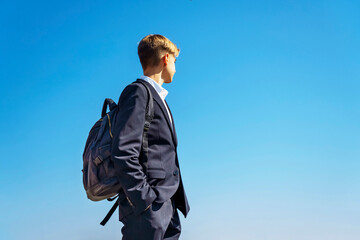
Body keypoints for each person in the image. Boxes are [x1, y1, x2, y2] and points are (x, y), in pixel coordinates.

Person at [111, 34, 190, 240]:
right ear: (166, 58)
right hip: (148, 207)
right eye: (174, 61)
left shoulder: (160, 99)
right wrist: (144, 200)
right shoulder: (138, 92)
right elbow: (123, 151)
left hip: (167, 204)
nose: (175, 66)